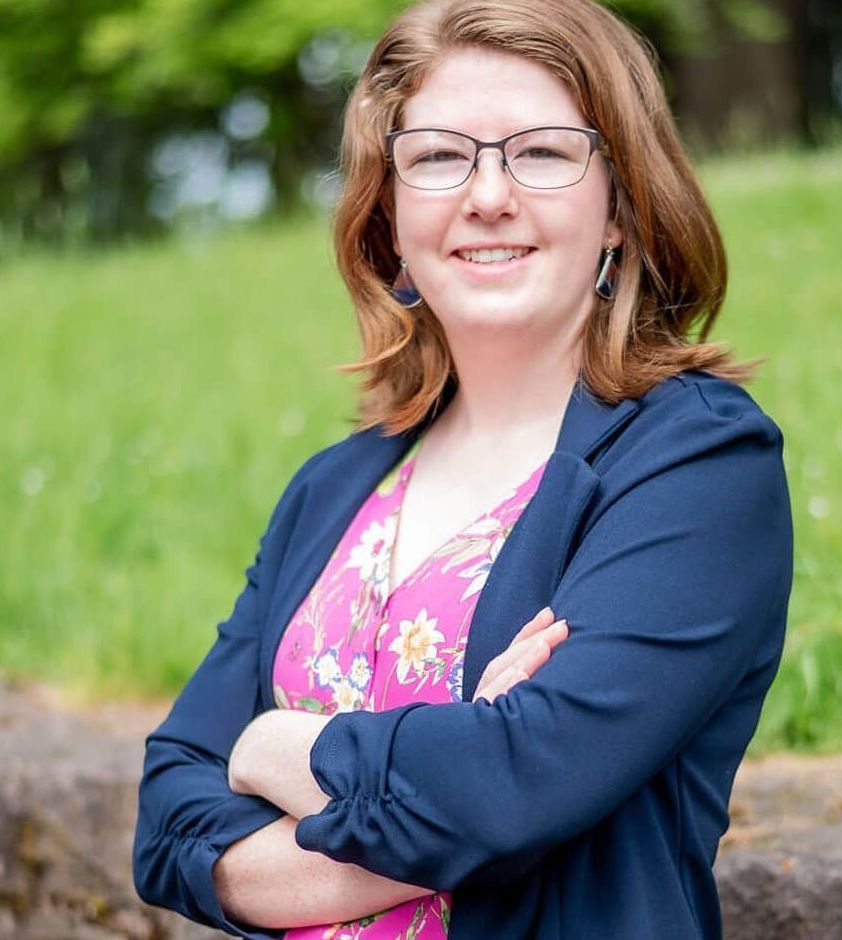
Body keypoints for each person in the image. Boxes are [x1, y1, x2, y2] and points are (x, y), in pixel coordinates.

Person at [133, 0, 793, 937]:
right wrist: (447, 785)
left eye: (543, 151)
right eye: (441, 156)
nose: (488, 195)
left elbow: (510, 794)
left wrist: (267, 743)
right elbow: (165, 826)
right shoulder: (334, 484)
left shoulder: (697, 462)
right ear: (390, 215)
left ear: (621, 206)